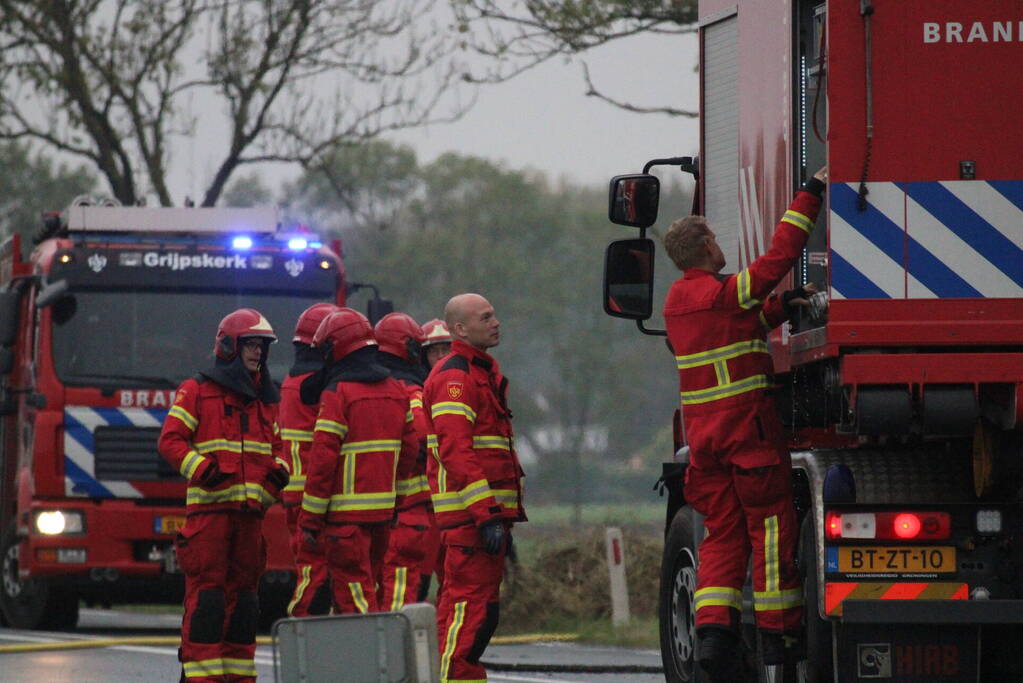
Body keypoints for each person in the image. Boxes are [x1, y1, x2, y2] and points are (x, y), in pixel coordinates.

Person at [662, 167, 827, 679]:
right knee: (771, 532)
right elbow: (780, 255)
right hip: (748, 443)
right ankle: (779, 637)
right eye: (714, 240)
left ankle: (713, 636)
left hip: (705, 449)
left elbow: (730, 329)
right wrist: (812, 191)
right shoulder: (728, 292)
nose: (720, 248)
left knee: (722, 540)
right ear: (706, 245)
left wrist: (778, 309)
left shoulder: (677, 304)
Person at [159, 308, 289, 683]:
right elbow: (170, 442)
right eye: (250, 344)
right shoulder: (196, 391)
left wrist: (274, 483)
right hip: (209, 521)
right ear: (230, 346)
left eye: (262, 347)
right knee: (209, 603)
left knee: (246, 604)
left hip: (250, 522)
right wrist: (203, 471)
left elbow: (280, 449)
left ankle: (238, 677)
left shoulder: (267, 398)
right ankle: (201, 678)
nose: (257, 353)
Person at [423, 293, 525, 683]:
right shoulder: (455, 377)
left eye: (495, 314)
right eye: (486, 317)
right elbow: (456, 449)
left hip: (483, 519)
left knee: (475, 613)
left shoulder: (478, 371)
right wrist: (486, 514)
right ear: (460, 329)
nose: (496, 321)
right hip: (472, 520)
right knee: (469, 615)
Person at [297, 308, 418, 615]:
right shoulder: (397, 390)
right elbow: (408, 452)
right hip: (382, 516)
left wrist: (310, 519)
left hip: (344, 519)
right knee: (373, 587)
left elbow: (322, 461)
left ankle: (368, 658)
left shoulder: (338, 394)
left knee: (353, 593)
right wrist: (397, 503)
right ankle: (371, 657)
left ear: (336, 347)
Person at [279, 302, 338, 616]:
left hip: (298, 494)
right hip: (312, 496)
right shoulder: (315, 387)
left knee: (313, 571)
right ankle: (302, 640)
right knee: (316, 575)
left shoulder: (295, 381)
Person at [373, 312, 433, 611]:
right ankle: (396, 652)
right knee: (400, 588)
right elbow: (422, 434)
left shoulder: (367, 388)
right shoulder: (410, 391)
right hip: (409, 508)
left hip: (371, 509)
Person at [419, 317, 452, 601]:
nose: (441, 357)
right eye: (434, 351)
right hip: (423, 503)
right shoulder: (416, 393)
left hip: (453, 501)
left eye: (446, 349)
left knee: (452, 576)